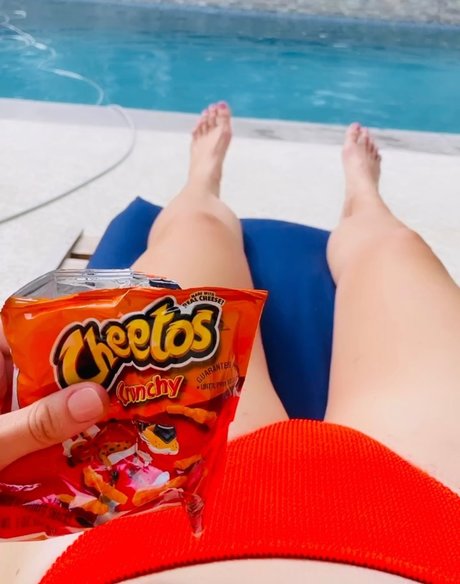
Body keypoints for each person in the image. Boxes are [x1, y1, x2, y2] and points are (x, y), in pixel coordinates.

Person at [0, 103, 459, 584]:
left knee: (195, 232)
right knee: (394, 249)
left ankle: (202, 184)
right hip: (434, 521)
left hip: (136, 522)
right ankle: (363, 202)